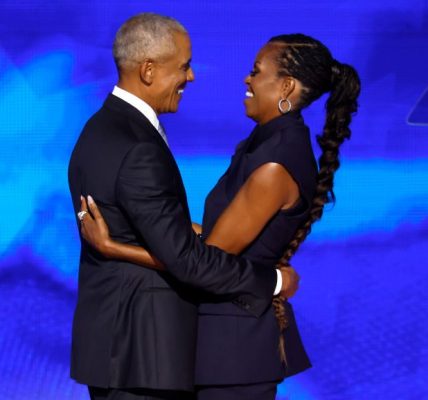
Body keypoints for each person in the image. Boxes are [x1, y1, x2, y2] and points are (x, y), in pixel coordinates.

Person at [79, 33, 361, 400]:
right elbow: (212, 237)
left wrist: (113, 247)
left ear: (287, 86)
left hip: (235, 354)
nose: (247, 79)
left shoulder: (275, 162)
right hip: (218, 346)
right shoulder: (261, 144)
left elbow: (202, 262)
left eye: (256, 72)